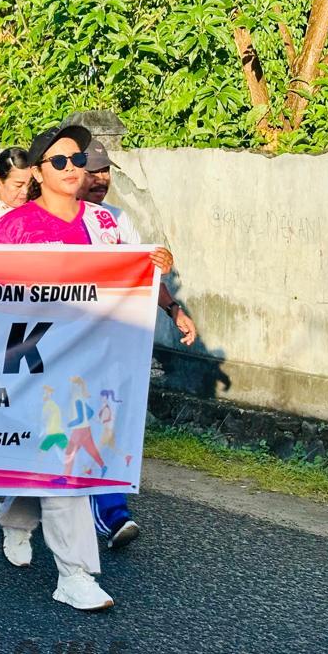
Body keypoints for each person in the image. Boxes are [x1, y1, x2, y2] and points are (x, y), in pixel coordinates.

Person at [0, 124, 174, 612]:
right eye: (60, 161)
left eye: (77, 159)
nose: (73, 168)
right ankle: (74, 575)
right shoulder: (14, 228)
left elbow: (130, 275)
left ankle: (15, 515)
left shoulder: (105, 223)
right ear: (37, 172)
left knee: (61, 457)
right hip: (37, 364)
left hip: (94, 363)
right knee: (64, 458)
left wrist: (155, 263)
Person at [76, 138, 197, 550]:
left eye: (105, 171)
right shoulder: (51, 221)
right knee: (66, 428)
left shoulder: (116, 220)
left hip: (111, 345)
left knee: (105, 423)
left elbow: (142, 273)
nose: (100, 179)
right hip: (63, 347)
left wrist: (173, 309)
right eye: (91, 172)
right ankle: (22, 504)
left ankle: (112, 512)